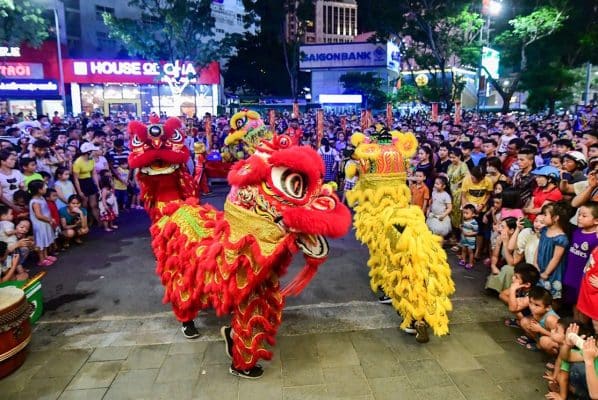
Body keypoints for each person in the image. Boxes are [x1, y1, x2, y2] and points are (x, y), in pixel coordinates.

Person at [563, 202, 598, 312]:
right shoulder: (576, 231)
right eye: (579, 214)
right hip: (568, 277)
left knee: (579, 308)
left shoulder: (596, 238)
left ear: (596, 220)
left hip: (583, 280)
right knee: (569, 304)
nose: (579, 218)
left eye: (584, 216)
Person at [536, 201, 572, 303]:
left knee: (551, 296)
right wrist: (535, 263)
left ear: (556, 218)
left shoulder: (561, 238)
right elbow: (538, 248)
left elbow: (556, 258)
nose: (542, 217)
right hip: (541, 267)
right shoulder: (544, 230)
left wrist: (547, 273)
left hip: (552, 271)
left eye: (545, 215)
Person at [518, 286, 563, 354]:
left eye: (536, 305)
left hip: (556, 342)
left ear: (548, 308)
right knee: (524, 321)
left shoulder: (551, 319)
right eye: (530, 302)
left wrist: (540, 330)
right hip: (543, 334)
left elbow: (561, 339)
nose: (532, 307)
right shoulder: (537, 312)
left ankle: (555, 358)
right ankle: (538, 344)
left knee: (544, 341)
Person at [500, 262, 540, 327]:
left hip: (538, 323)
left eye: (516, 277)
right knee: (514, 305)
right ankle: (520, 320)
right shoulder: (522, 287)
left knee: (523, 321)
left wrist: (513, 290)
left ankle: (531, 334)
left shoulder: (532, 295)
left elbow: (512, 309)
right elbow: (502, 294)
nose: (513, 278)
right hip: (527, 314)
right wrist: (514, 304)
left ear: (527, 284)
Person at [28, 180, 57, 267]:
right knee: (40, 242)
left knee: (44, 240)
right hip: (40, 224)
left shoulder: (41, 198)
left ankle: (46, 256)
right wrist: (50, 219)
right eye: (44, 187)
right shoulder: (35, 202)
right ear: (39, 190)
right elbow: (38, 215)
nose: (46, 188)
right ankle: (41, 260)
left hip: (44, 223)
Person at [72, 142, 100, 223]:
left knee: (94, 204)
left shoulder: (91, 160)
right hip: (81, 183)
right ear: (88, 152)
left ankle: (99, 221)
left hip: (89, 181)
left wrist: (97, 185)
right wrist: (80, 191)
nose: (95, 153)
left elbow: (94, 173)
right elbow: (76, 179)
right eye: (93, 151)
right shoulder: (78, 162)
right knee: (84, 205)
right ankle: (85, 222)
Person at [459, 204, 478, 270]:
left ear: (473, 214)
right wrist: (461, 227)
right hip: (464, 238)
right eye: (464, 213)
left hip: (470, 239)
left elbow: (476, 232)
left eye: (467, 213)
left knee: (470, 251)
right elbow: (464, 228)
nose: (464, 215)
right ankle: (463, 260)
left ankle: (470, 263)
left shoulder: (474, 222)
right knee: (463, 249)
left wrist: (468, 234)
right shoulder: (465, 220)